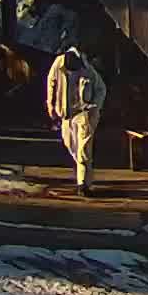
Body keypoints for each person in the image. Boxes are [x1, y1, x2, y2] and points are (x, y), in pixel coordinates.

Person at [45, 46, 107, 195]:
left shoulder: (88, 70)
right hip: (67, 114)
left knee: (83, 151)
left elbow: (101, 89)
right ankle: (84, 175)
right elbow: (51, 83)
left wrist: (95, 107)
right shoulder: (58, 64)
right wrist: (51, 105)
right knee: (71, 145)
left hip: (85, 113)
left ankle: (84, 185)